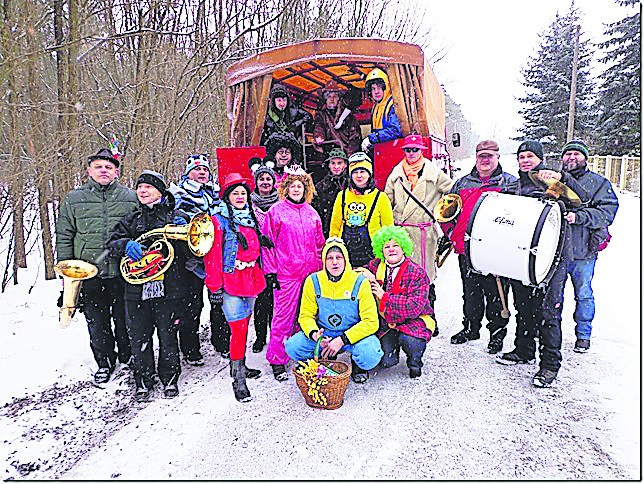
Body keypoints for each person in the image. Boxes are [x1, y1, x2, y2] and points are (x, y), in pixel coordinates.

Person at [496, 140, 589, 388]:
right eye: (521, 157)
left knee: (548, 313)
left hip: (553, 258)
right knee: (523, 307)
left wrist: (562, 179)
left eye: (530, 156)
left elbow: (582, 199)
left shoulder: (555, 182)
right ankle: (524, 350)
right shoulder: (514, 186)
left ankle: (549, 366)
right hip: (522, 256)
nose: (525, 160)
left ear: (540, 158)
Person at [108, 170, 197, 401]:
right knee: (139, 335)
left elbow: (192, 252)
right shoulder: (131, 219)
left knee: (168, 335)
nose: (143, 191)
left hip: (169, 287)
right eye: (140, 188)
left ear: (160, 191)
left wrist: (183, 234)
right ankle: (143, 380)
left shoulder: (176, 217)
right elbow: (112, 242)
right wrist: (126, 244)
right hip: (136, 289)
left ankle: (169, 378)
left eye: (148, 187)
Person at [55, 147, 138, 384]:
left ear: (116, 172)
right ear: (89, 170)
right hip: (88, 272)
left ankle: (128, 356)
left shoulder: (130, 197)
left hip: (124, 271)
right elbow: (64, 235)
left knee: (125, 319)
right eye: (99, 166)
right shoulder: (74, 198)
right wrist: (67, 275)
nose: (104, 170)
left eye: (109, 167)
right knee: (97, 321)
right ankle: (104, 362)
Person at [442, 140, 518, 353]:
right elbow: (447, 211)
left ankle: (497, 333)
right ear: (476, 158)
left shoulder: (510, 183)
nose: (485, 160)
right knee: (471, 291)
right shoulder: (462, 183)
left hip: (496, 250)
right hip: (466, 248)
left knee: (496, 292)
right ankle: (470, 328)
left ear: (497, 157)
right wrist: (450, 233)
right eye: (481, 156)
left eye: (489, 156)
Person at [203, 173, 270, 402]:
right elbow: (212, 257)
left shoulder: (252, 217)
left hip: (250, 279)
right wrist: (214, 287)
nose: (240, 196)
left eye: (243, 193)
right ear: (227, 197)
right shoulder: (218, 221)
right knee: (239, 329)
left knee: (244, 325)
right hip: (231, 280)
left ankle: (239, 364)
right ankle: (238, 378)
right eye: (235, 193)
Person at [284, 238, 384, 383]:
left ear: (346, 260)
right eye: (330, 258)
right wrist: (315, 335)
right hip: (325, 334)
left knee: (370, 355)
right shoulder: (313, 281)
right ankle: (320, 363)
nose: (334, 262)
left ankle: (358, 366)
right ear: (324, 261)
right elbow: (305, 316)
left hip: (352, 335)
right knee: (293, 347)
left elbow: (371, 322)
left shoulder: (359, 282)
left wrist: (343, 339)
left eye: (339, 257)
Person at [261, 165, 325, 381]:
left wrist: (321, 270)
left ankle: (303, 353)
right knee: (283, 318)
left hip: (310, 274)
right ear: (285, 189)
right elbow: (267, 244)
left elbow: (319, 245)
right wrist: (270, 271)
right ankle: (277, 360)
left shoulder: (312, 213)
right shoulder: (275, 212)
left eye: (300, 186)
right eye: (292, 186)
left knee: (307, 317)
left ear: (305, 189)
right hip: (286, 275)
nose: (296, 189)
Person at [384, 134, 453, 328]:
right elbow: (386, 202)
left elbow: (453, 192)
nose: (411, 153)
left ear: (421, 151)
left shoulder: (434, 173)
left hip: (424, 235)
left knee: (426, 277)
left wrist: (442, 213)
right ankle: (405, 316)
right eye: (408, 150)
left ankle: (430, 318)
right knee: (403, 276)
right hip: (402, 234)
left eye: (415, 149)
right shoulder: (395, 174)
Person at [559, 140, 619, 352]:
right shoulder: (554, 180)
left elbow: (608, 211)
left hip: (583, 250)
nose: (571, 158)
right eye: (568, 154)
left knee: (583, 294)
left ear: (585, 158)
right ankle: (550, 332)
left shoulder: (598, 183)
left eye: (576, 154)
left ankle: (583, 335)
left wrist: (580, 216)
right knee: (553, 297)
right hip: (555, 252)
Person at [168, 153, 226, 366]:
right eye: (197, 169)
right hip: (190, 261)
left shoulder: (215, 194)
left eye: (204, 169)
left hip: (215, 258)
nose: (201, 173)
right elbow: (175, 221)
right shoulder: (178, 194)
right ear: (188, 173)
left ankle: (221, 341)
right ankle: (190, 348)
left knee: (218, 302)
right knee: (192, 306)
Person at [362, 226, 435, 378]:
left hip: (413, 321)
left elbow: (413, 307)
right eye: (386, 246)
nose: (391, 250)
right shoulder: (375, 266)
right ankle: (391, 350)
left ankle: (415, 361)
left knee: (412, 341)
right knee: (386, 361)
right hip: (386, 323)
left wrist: (385, 297)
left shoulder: (417, 272)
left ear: (403, 247)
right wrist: (365, 274)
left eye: (396, 245)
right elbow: (355, 273)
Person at [329, 152, 394, 268]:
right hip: (346, 254)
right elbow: (335, 226)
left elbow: (388, 230)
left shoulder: (381, 197)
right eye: (355, 172)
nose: (359, 176)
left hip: (373, 255)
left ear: (369, 174)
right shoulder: (342, 196)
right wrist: (333, 249)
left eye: (362, 171)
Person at [248, 157, 280, 353]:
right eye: (261, 179)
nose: (265, 182)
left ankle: (276, 334)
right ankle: (260, 337)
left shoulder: (281, 203)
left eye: (268, 178)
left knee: (278, 301)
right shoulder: (249, 204)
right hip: (258, 259)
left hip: (278, 258)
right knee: (261, 300)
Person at [312, 79, 361, 156]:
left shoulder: (348, 115)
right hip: (329, 153)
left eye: (335, 96)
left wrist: (350, 154)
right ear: (325, 99)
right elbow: (319, 127)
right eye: (329, 96)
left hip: (346, 151)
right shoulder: (321, 115)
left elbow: (354, 137)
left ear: (339, 99)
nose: (332, 99)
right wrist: (319, 136)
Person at [361, 68, 402, 153]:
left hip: (393, 151)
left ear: (385, 87)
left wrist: (372, 138)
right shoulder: (375, 107)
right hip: (380, 151)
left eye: (379, 87)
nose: (376, 92)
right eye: (373, 89)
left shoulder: (393, 105)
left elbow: (395, 131)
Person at [311, 148, 349, 238]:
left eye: (339, 163)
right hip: (327, 227)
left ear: (345, 164)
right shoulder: (321, 186)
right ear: (328, 165)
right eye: (333, 163)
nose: (336, 166)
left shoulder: (352, 184)